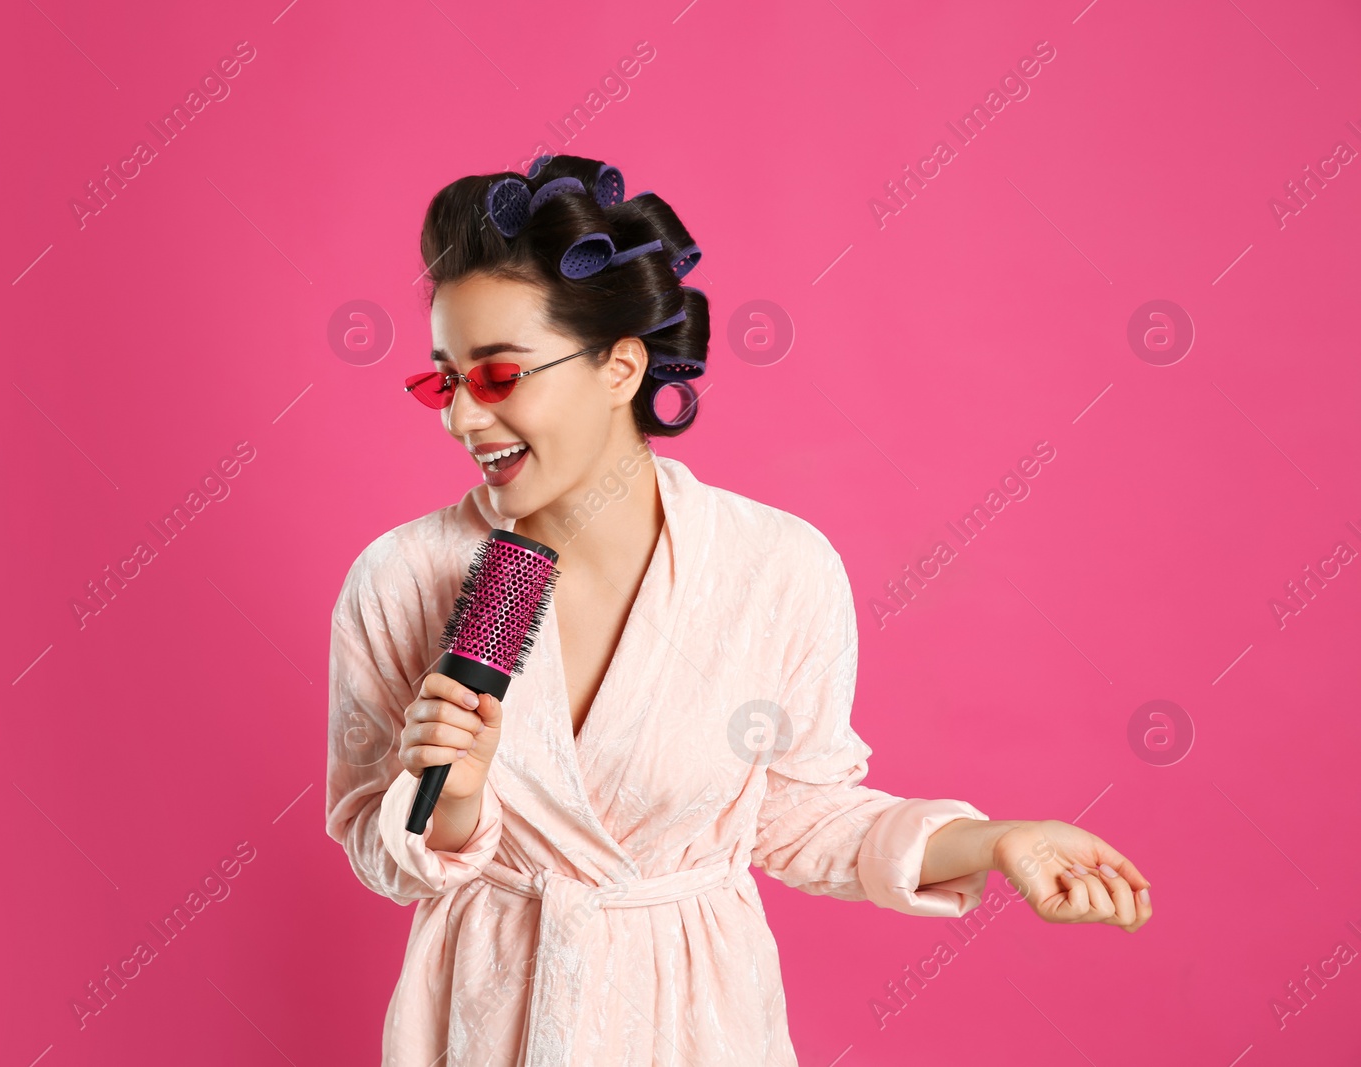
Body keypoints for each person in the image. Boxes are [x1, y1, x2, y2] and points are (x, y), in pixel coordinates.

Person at [325, 154, 1153, 1067]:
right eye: (444, 381)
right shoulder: (399, 577)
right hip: (482, 1026)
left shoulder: (775, 569)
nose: (461, 421)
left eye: (498, 376)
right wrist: (457, 799)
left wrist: (997, 840)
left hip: (695, 1025)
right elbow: (376, 845)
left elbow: (801, 817)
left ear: (620, 366)